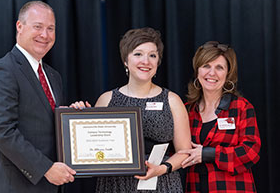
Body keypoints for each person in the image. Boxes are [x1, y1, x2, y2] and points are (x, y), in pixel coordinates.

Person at [71, 27, 191, 192]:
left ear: (158, 62)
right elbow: (91, 149)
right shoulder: (107, 100)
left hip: (162, 184)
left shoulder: (172, 100)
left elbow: (185, 152)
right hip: (115, 186)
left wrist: (162, 169)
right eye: (138, 54)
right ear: (125, 60)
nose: (146, 61)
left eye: (152, 55)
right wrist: (78, 116)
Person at [0, 1, 75, 193]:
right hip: (12, 186)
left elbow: (44, 123)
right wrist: (46, 168)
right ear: (19, 27)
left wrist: (71, 118)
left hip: (49, 186)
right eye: (38, 27)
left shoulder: (53, 76)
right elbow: (3, 132)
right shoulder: (2, 70)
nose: (45, 35)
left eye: (51, 28)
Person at [178, 41, 261, 192]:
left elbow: (251, 152)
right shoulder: (186, 110)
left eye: (219, 68)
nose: (212, 73)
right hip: (196, 187)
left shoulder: (242, 107)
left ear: (228, 73)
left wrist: (208, 154)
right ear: (198, 71)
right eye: (206, 66)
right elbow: (175, 150)